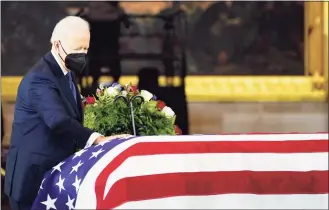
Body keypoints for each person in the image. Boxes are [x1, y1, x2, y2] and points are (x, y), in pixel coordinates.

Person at [4, 16, 129, 210]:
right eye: (77, 48)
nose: (82, 54)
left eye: (85, 49)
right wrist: (98, 139)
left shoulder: (66, 72)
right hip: (32, 180)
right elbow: (58, 121)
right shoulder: (40, 79)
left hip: (54, 176)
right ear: (57, 44)